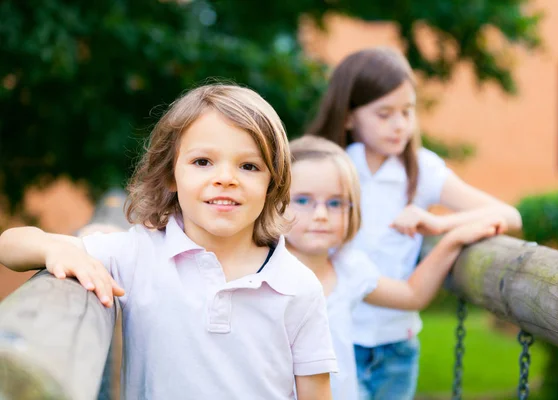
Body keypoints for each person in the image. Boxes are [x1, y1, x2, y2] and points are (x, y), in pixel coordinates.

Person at [0, 84, 338, 400]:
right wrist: (54, 248)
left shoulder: (298, 286)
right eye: (202, 162)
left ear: (272, 182)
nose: (225, 178)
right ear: (170, 175)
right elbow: (10, 244)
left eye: (249, 166)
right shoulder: (138, 254)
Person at [307, 47, 522, 399]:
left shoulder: (421, 170)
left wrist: (437, 225)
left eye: (407, 111)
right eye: (384, 113)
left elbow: (508, 215)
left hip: (398, 344)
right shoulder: (327, 167)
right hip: (334, 338)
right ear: (348, 117)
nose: (400, 124)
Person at [285, 135, 505, 400]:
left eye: (334, 203)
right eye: (303, 200)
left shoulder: (348, 269)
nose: (321, 214)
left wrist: (452, 241)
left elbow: (412, 295)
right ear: (276, 204)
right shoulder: (263, 272)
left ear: (351, 210)